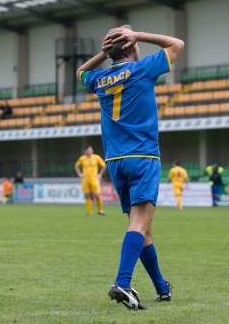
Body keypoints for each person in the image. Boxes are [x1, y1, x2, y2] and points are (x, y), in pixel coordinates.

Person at [77, 25, 183, 309]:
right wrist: (139, 34)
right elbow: (177, 44)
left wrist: (103, 53)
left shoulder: (99, 78)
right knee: (139, 223)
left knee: (143, 228)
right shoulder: (142, 69)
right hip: (143, 157)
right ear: (132, 46)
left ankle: (161, 287)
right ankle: (122, 283)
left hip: (115, 162)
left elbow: (80, 73)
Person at [74, 145, 107, 216]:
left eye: (89, 150)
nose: (88, 151)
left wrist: (100, 174)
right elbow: (76, 166)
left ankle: (100, 210)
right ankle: (90, 212)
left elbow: (104, 165)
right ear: (85, 151)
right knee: (87, 195)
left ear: (92, 150)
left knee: (97, 195)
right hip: (85, 179)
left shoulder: (96, 157)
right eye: (87, 150)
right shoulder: (82, 158)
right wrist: (79, 174)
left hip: (94, 179)